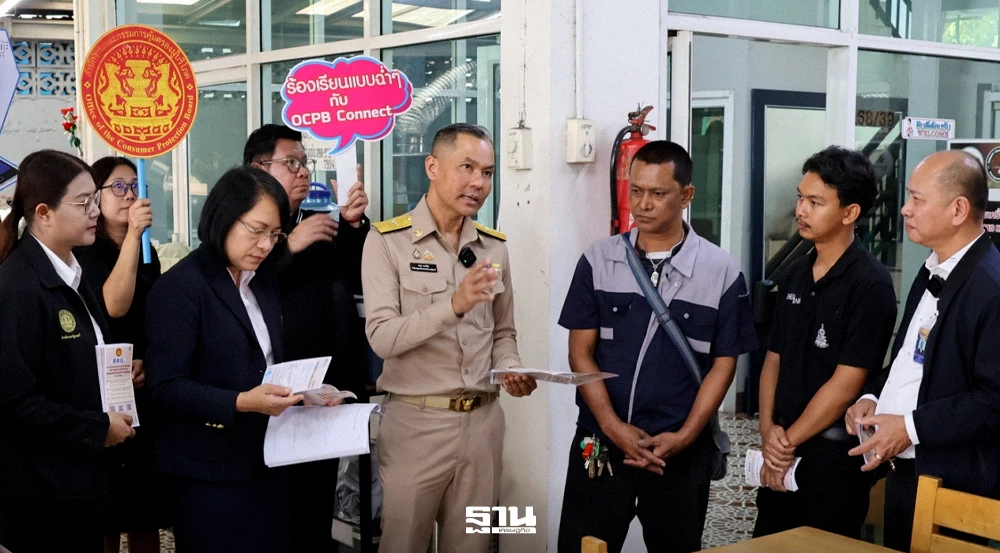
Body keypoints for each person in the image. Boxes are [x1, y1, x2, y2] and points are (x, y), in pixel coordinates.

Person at [556, 141, 758, 553]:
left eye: (657, 193)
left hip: (679, 453)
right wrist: (612, 426)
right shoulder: (598, 260)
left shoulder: (720, 271)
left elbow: (724, 364)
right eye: (636, 191)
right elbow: (580, 353)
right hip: (602, 445)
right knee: (582, 546)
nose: (642, 204)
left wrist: (685, 436)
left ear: (686, 195)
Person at [362, 123, 537, 553]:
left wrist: (511, 368)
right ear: (433, 167)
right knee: (403, 545)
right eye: (467, 167)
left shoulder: (493, 248)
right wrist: (454, 304)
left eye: (488, 173)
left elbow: (503, 332)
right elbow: (382, 337)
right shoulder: (387, 242)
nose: (479, 183)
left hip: (483, 425)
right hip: (416, 425)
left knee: (473, 546)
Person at [846, 149, 1000, 552]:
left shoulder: (991, 287)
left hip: (954, 485)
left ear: (958, 209)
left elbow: (994, 401)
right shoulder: (933, 267)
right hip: (904, 473)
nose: (904, 209)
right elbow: (910, 359)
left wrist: (910, 428)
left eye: (917, 198)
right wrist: (872, 397)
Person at [145, 166, 301, 553]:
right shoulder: (181, 287)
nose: (265, 245)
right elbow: (165, 387)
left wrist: (305, 394)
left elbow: (264, 362)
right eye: (257, 230)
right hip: (207, 472)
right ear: (224, 217)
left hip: (267, 461)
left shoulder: (261, 281)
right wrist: (242, 402)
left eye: (275, 234)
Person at [752, 147, 897, 539]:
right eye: (801, 198)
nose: (801, 210)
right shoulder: (795, 272)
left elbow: (848, 382)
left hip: (832, 460)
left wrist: (786, 443)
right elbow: (773, 359)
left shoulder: (871, 284)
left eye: (815, 202)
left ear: (850, 213)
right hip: (781, 448)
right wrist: (768, 431)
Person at [0, 150, 136, 553]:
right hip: (43, 495)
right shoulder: (18, 286)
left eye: (95, 199)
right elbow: (15, 400)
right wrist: (97, 428)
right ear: (44, 213)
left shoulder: (72, 270)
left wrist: (115, 372)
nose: (95, 211)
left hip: (80, 483)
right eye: (83, 203)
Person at [244, 124, 371, 551]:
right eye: (291, 163)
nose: (303, 172)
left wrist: (352, 224)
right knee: (272, 514)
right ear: (257, 168)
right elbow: (241, 288)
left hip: (324, 392)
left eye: (305, 163)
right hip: (269, 394)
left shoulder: (316, 223)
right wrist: (285, 247)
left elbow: (357, 279)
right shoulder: (240, 230)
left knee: (315, 509)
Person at [75, 156, 167, 553]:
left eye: (135, 186)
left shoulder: (148, 252)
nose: (129, 194)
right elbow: (114, 306)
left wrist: (146, 358)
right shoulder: (84, 253)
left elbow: (154, 318)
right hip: (100, 392)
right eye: (118, 186)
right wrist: (132, 237)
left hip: (141, 386)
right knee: (107, 513)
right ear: (95, 197)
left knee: (144, 509)